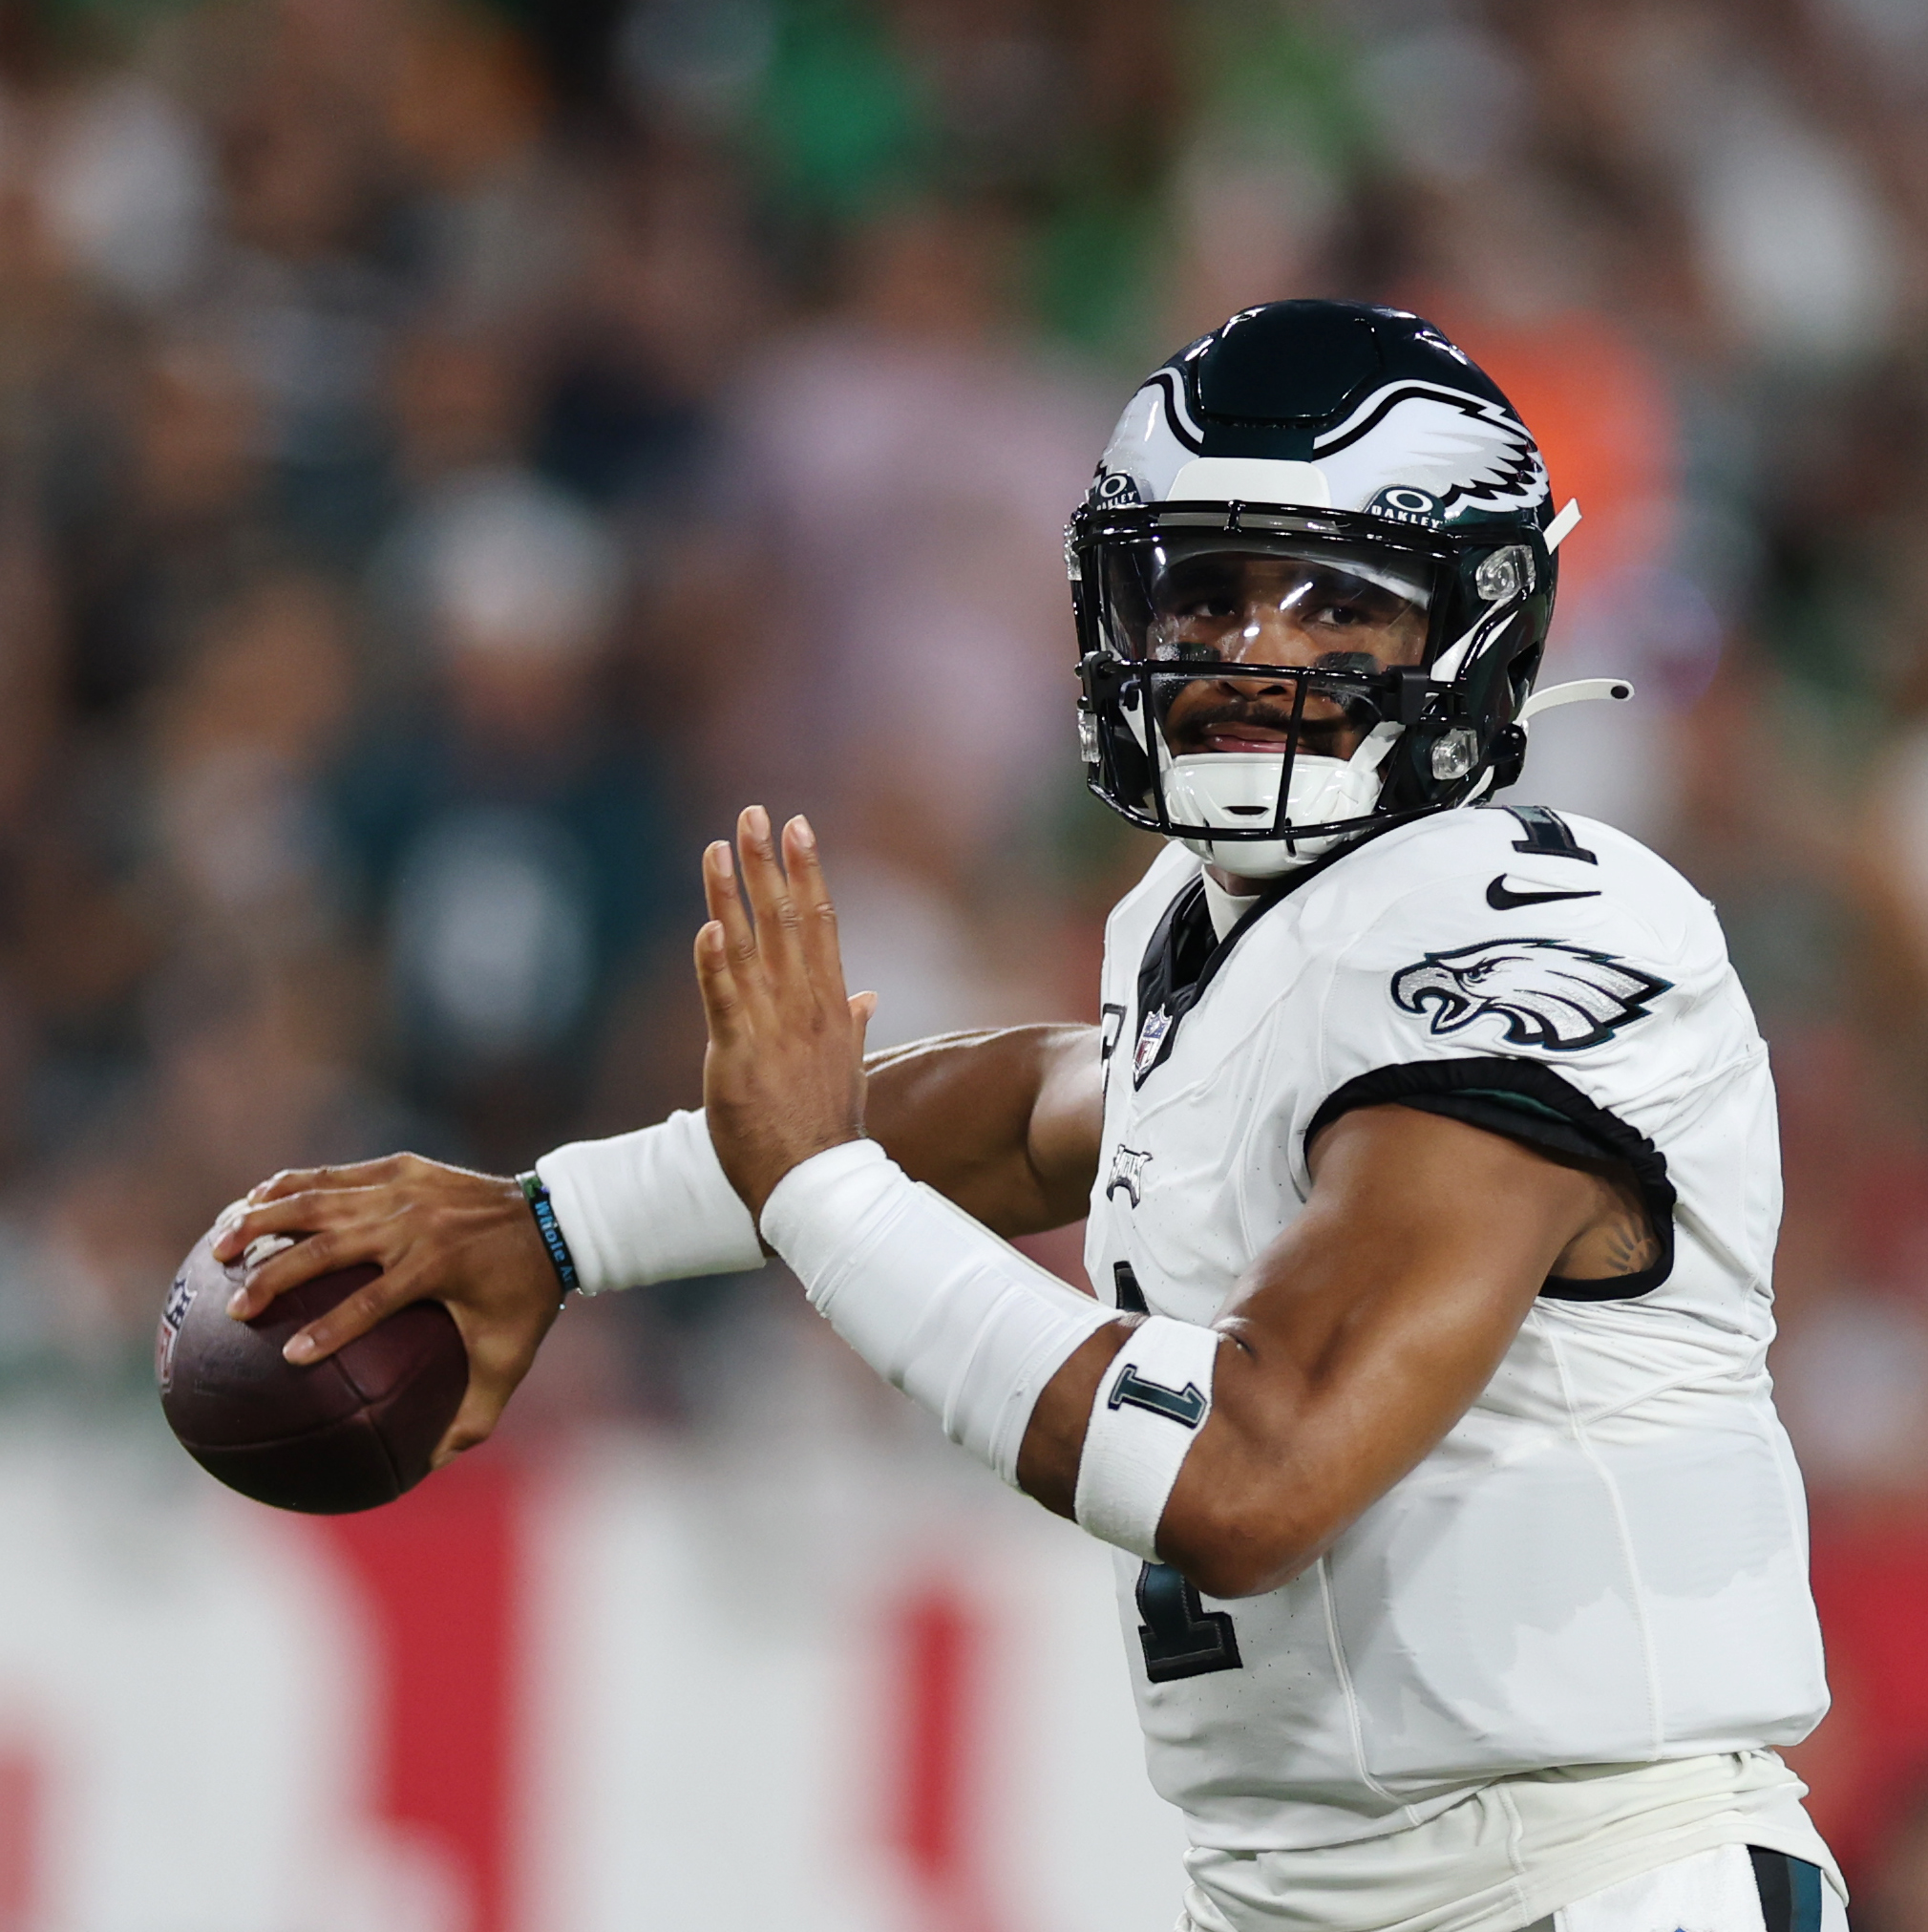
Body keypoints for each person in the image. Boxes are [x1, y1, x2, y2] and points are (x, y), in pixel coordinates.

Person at [212, 301, 1841, 1932]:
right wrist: (561, 1224)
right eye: (1201, 591)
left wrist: (827, 1198)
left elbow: (1251, 1476)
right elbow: (1049, 1106)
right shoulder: (1216, 925)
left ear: (1476, 627)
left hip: (1595, 1885)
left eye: (1335, 600)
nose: (1248, 648)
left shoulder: (1538, 931)